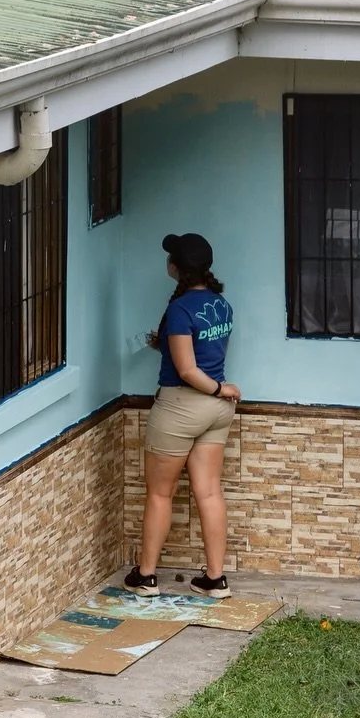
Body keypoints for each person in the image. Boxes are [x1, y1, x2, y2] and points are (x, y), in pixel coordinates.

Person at [124, 231, 241, 599]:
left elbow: (188, 370)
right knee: (208, 492)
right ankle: (215, 578)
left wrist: (222, 388)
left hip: (182, 406)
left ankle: (145, 577)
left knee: (160, 493)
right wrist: (221, 392)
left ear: (176, 268)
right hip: (216, 413)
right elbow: (206, 352)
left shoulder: (179, 309)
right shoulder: (221, 303)